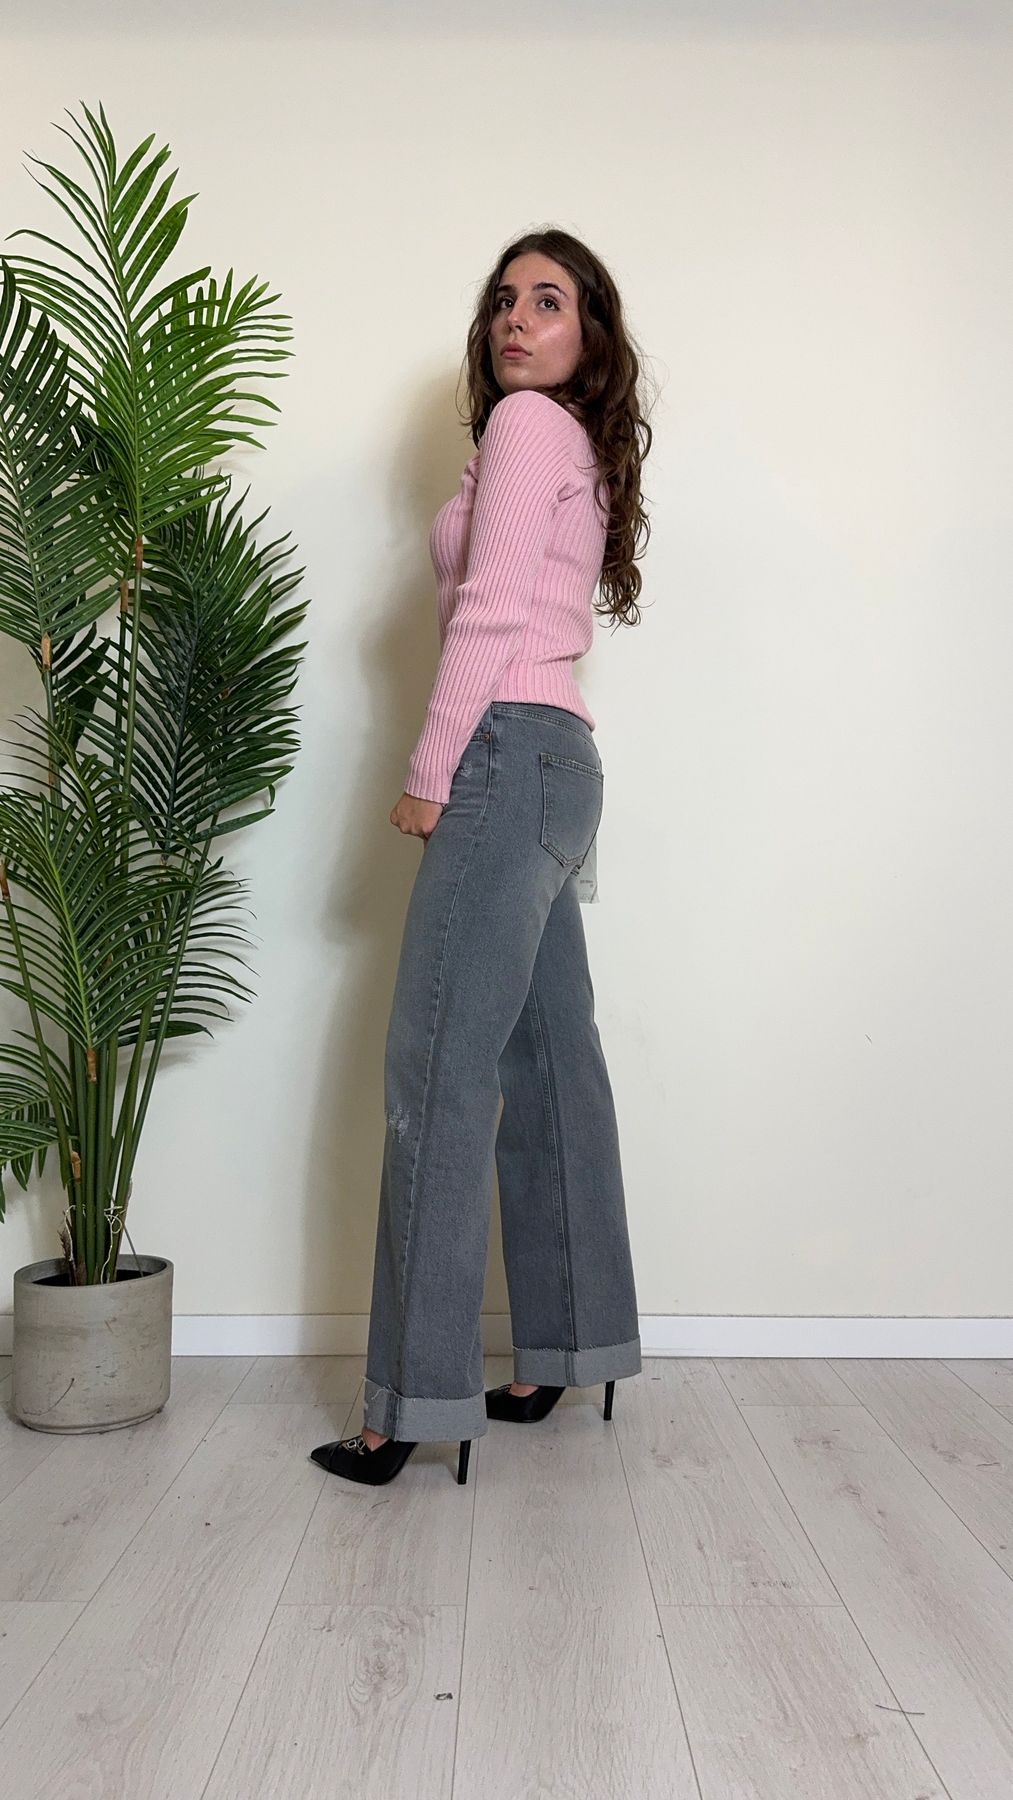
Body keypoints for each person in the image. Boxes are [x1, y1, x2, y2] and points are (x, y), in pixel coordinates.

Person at [311, 228, 653, 1487]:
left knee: (436, 1072)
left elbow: (491, 614)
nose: (516, 317)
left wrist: (427, 772)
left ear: (589, 337)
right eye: (504, 299)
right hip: (562, 765)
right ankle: (568, 1347)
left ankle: (409, 1403)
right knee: (551, 1062)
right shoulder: (568, 445)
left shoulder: (524, 428)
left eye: (548, 301)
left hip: (501, 756)